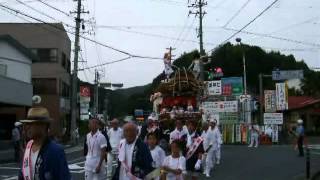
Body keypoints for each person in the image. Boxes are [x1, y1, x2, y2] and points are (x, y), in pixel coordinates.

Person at [18, 107, 70, 180]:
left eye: (31, 124)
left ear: (43, 126)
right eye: (26, 124)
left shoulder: (55, 151)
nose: (27, 127)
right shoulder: (28, 148)